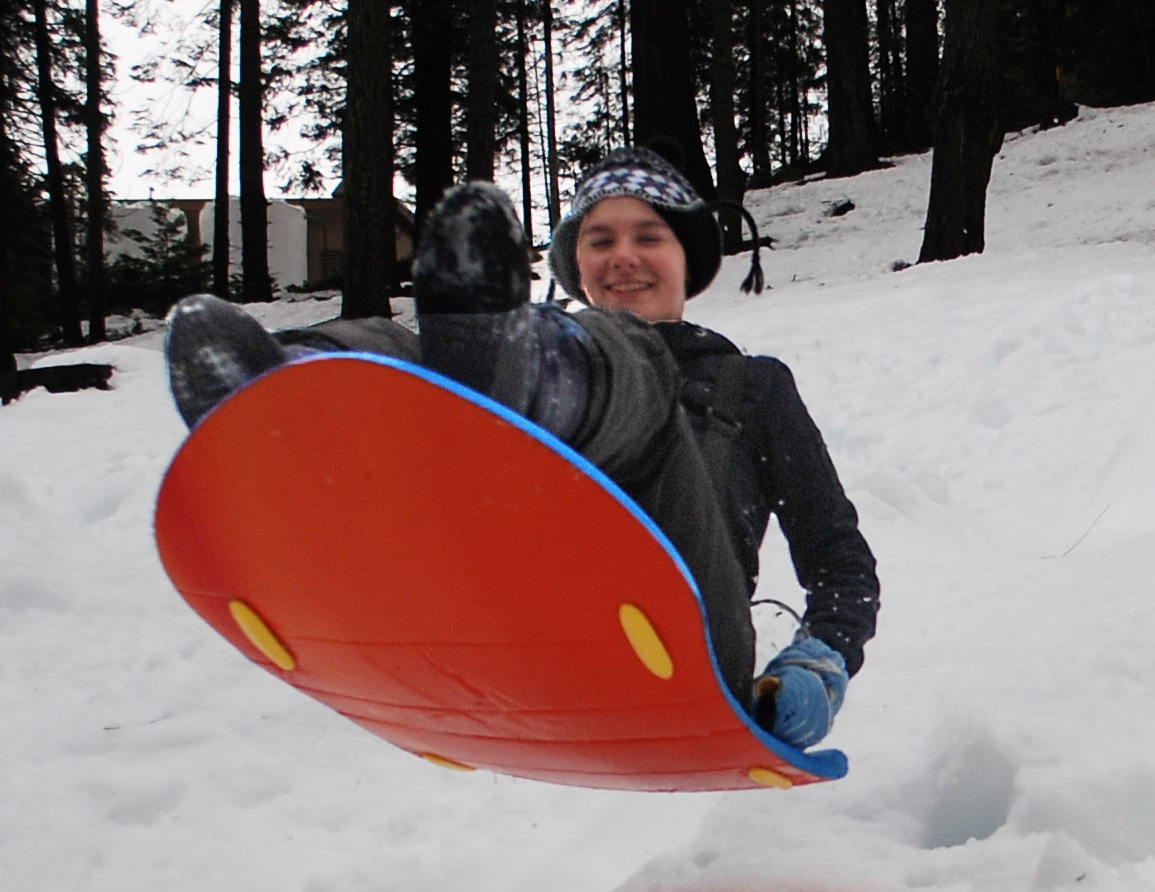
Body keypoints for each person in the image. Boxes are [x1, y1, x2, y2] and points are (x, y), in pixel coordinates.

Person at [165, 147, 878, 750]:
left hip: (677, 654)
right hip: (515, 624)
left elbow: (838, 555)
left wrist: (822, 661)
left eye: (647, 237)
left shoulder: (752, 384)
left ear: (687, 260)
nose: (623, 257)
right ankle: (281, 393)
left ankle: (542, 379)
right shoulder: (513, 350)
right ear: (578, 265)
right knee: (414, 357)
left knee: (630, 367)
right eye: (599, 241)